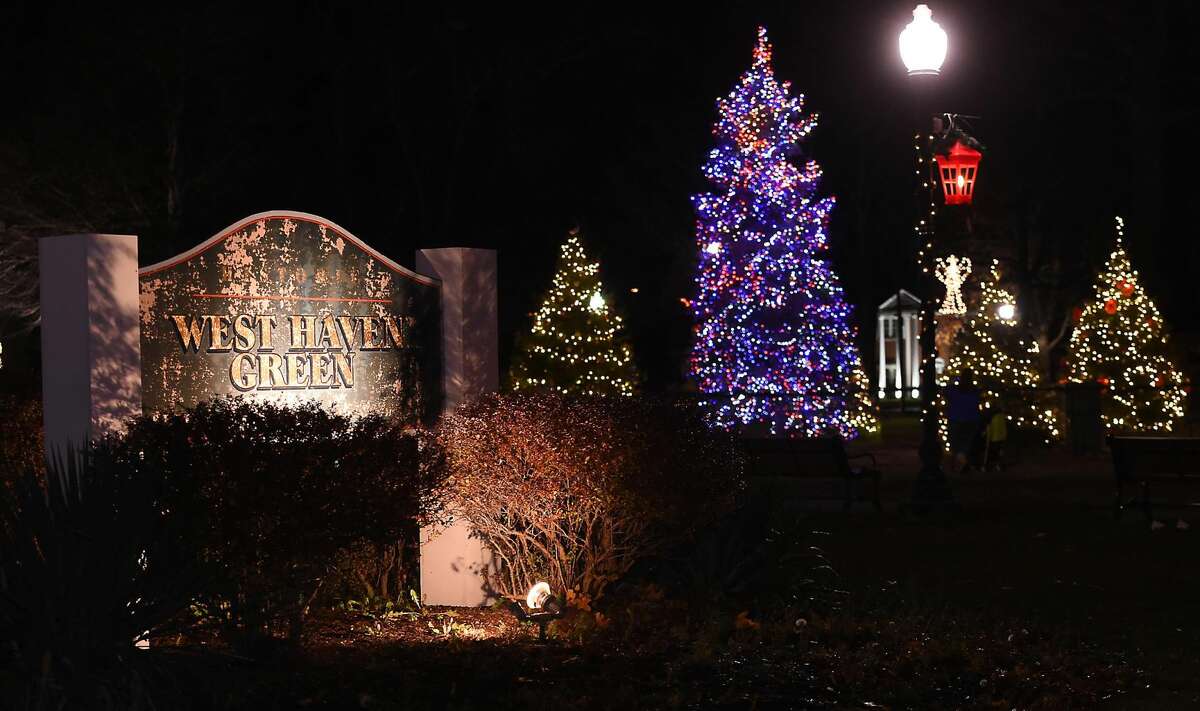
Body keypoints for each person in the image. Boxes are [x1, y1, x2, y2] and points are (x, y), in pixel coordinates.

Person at [944, 370, 982, 474]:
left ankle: (958, 465)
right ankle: (962, 463)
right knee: (966, 443)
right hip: (971, 420)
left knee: (955, 444)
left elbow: (946, 391)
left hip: (956, 419)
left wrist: (954, 380)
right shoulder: (975, 390)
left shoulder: (954, 390)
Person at [983, 406, 1008, 472]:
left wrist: (987, 437)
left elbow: (990, 429)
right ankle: (998, 465)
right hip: (1001, 438)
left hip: (994, 438)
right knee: (999, 453)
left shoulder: (991, 419)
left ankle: (989, 466)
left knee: (993, 453)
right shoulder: (1001, 417)